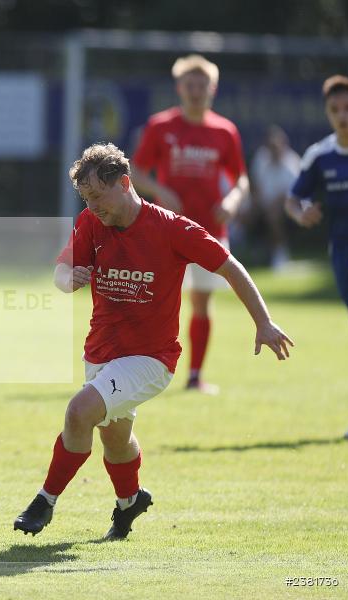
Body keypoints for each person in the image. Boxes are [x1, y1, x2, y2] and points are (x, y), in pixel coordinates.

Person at [14, 143, 292, 539]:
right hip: (100, 352)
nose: (92, 206)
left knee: (80, 412)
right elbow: (62, 270)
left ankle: (45, 500)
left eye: (97, 196)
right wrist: (68, 281)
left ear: (125, 183)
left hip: (151, 358)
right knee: (116, 437)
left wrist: (263, 322)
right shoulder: (92, 223)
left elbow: (229, 266)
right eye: (86, 198)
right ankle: (129, 503)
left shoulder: (172, 228)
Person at [132, 54, 250, 394]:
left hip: (209, 232)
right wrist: (161, 190)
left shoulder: (225, 131)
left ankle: (195, 376)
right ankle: (137, 369)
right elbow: (136, 172)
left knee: (201, 301)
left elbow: (241, 179)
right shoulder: (161, 126)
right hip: (165, 231)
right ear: (179, 88)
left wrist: (231, 201)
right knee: (150, 299)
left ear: (212, 88)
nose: (196, 91)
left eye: (202, 85)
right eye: (190, 85)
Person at [285, 75, 348, 441]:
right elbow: (292, 199)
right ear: (327, 113)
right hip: (343, 252)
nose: (343, 116)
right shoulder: (320, 155)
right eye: (335, 110)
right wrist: (301, 215)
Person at [246, 125, 301, 270]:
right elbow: (255, 186)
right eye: (271, 146)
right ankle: (252, 250)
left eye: (277, 146)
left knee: (274, 215)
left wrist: (272, 205)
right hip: (263, 205)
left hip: (289, 210)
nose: (274, 150)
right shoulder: (261, 157)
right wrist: (256, 204)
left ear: (284, 145)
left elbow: (291, 195)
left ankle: (280, 254)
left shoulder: (292, 162)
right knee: (244, 213)